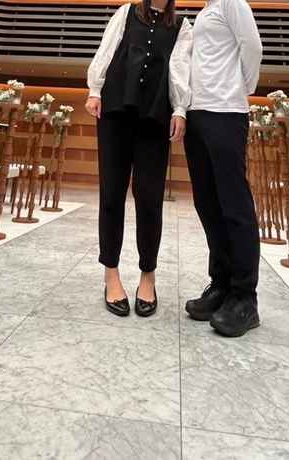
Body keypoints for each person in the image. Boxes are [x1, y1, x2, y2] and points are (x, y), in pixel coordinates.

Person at [86, 0, 192, 317]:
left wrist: (180, 109)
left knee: (149, 198)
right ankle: (111, 274)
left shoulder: (182, 26)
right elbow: (107, 49)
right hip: (115, 111)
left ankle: (148, 275)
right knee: (111, 194)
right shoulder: (126, 12)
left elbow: (180, 68)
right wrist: (95, 90)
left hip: (154, 117)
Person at [183, 0, 263, 337]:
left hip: (226, 112)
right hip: (197, 112)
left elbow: (253, 47)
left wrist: (241, 89)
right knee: (208, 204)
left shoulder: (232, 2)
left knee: (234, 205)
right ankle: (221, 284)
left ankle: (244, 297)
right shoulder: (206, 9)